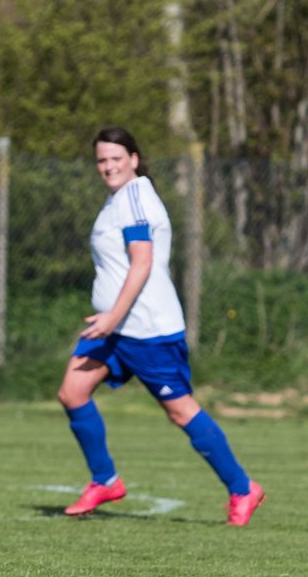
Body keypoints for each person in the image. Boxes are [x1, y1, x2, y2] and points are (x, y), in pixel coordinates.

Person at [58, 126, 265, 526]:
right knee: (73, 391)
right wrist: (111, 321)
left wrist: (112, 317)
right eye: (101, 160)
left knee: (180, 411)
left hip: (146, 329)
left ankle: (243, 488)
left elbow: (142, 262)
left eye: (116, 158)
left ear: (134, 158)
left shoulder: (135, 196)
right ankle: (106, 480)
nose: (108, 166)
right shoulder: (116, 200)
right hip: (114, 330)